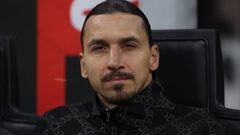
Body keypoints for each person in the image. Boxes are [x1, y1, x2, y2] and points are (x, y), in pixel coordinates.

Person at [34, 0, 226, 134]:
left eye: (129, 46)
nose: (114, 62)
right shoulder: (56, 125)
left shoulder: (201, 129)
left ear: (153, 58)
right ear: (84, 65)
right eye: (99, 48)